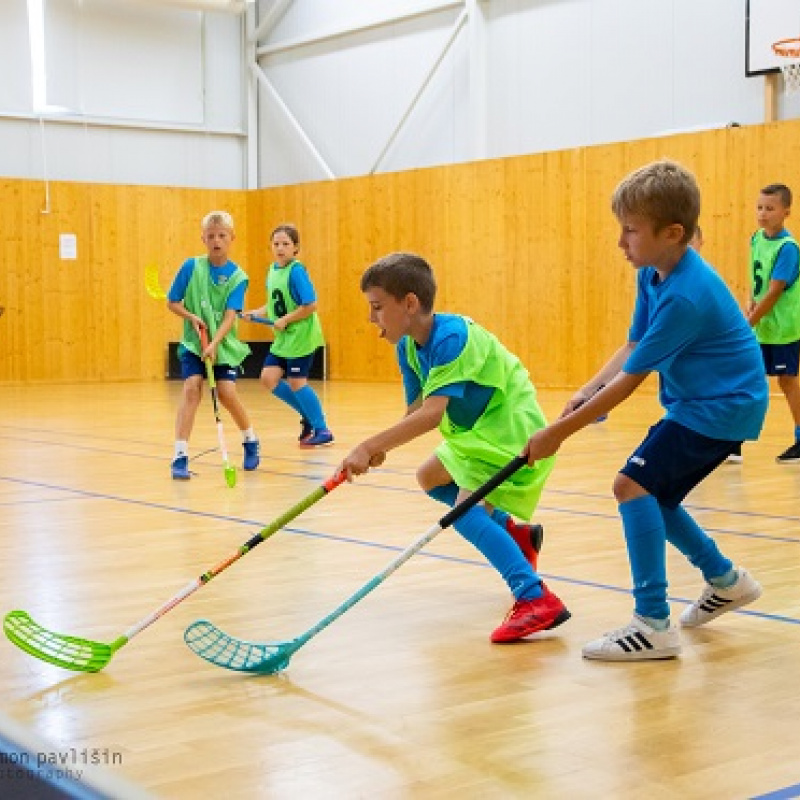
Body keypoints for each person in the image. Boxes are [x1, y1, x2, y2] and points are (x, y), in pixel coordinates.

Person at [523, 160, 768, 661]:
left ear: (673, 233)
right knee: (654, 496)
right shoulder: (654, 273)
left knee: (631, 485)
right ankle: (726, 580)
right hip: (700, 403)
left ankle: (653, 624)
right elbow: (633, 345)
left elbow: (633, 380)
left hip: (721, 409)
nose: (620, 242)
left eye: (630, 231)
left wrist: (558, 434)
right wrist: (587, 391)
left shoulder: (686, 296)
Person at [338, 252, 570, 643]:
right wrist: (381, 449)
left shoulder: (451, 338)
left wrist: (368, 444)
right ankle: (516, 537)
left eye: (377, 307)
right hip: (478, 432)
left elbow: (432, 415)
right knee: (429, 477)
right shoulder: (409, 347)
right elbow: (415, 409)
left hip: (508, 428)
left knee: (465, 510)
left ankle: (535, 598)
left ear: (409, 304)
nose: (370, 318)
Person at [167, 210, 260, 480]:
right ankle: (180, 455)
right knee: (191, 389)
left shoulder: (238, 277)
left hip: (224, 343)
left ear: (232, 238)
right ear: (203, 239)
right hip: (194, 343)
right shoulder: (190, 267)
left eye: (222, 235)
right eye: (211, 236)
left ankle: (250, 440)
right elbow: (173, 301)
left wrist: (216, 343)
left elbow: (231, 315)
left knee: (226, 393)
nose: (216, 240)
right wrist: (191, 317)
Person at [243, 224, 333, 447]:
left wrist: (286, 320)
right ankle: (309, 419)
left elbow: (310, 305)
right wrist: (256, 313)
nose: (280, 248)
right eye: (276, 244)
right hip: (283, 338)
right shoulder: (273, 271)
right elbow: (275, 303)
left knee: (296, 381)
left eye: (286, 244)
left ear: (296, 248)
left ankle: (322, 429)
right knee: (268, 378)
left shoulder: (297, 271)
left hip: (301, 335)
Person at [745, 184, 800, 464]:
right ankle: (732, 442)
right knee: (746, 378)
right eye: (759, 207)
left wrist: (748, 323)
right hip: (761, 325)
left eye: (770, 209)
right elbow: (756, 283)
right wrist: (749, 306)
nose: (763, 214)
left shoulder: (788, 248)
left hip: (782, 329)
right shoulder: (756, 238)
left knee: (787, 381)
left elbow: (775, 291)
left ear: (786, 212)